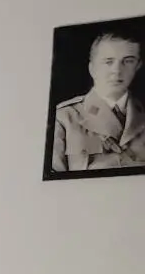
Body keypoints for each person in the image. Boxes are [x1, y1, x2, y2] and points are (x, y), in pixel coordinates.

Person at [52, 31, 145, 172]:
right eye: (108, 62)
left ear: (138, 66)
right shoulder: (65, 117)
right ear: (92, 68)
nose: (117, 70)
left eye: (128, 61)